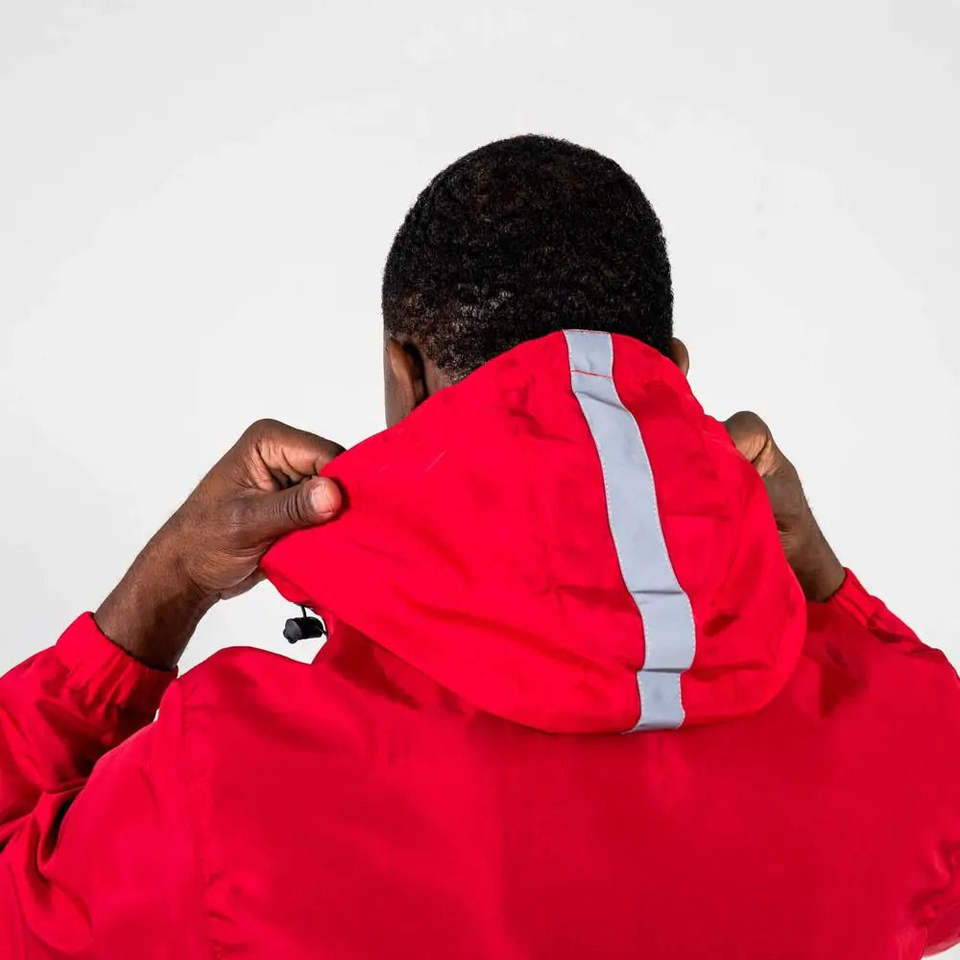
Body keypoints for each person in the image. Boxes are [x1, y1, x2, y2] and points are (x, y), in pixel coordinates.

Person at [1, 135, 958, 959]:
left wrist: (165, 584)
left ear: (405, 373)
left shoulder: (227, 776)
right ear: (672, 374)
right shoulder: (893, 765)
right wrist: (827, 589)